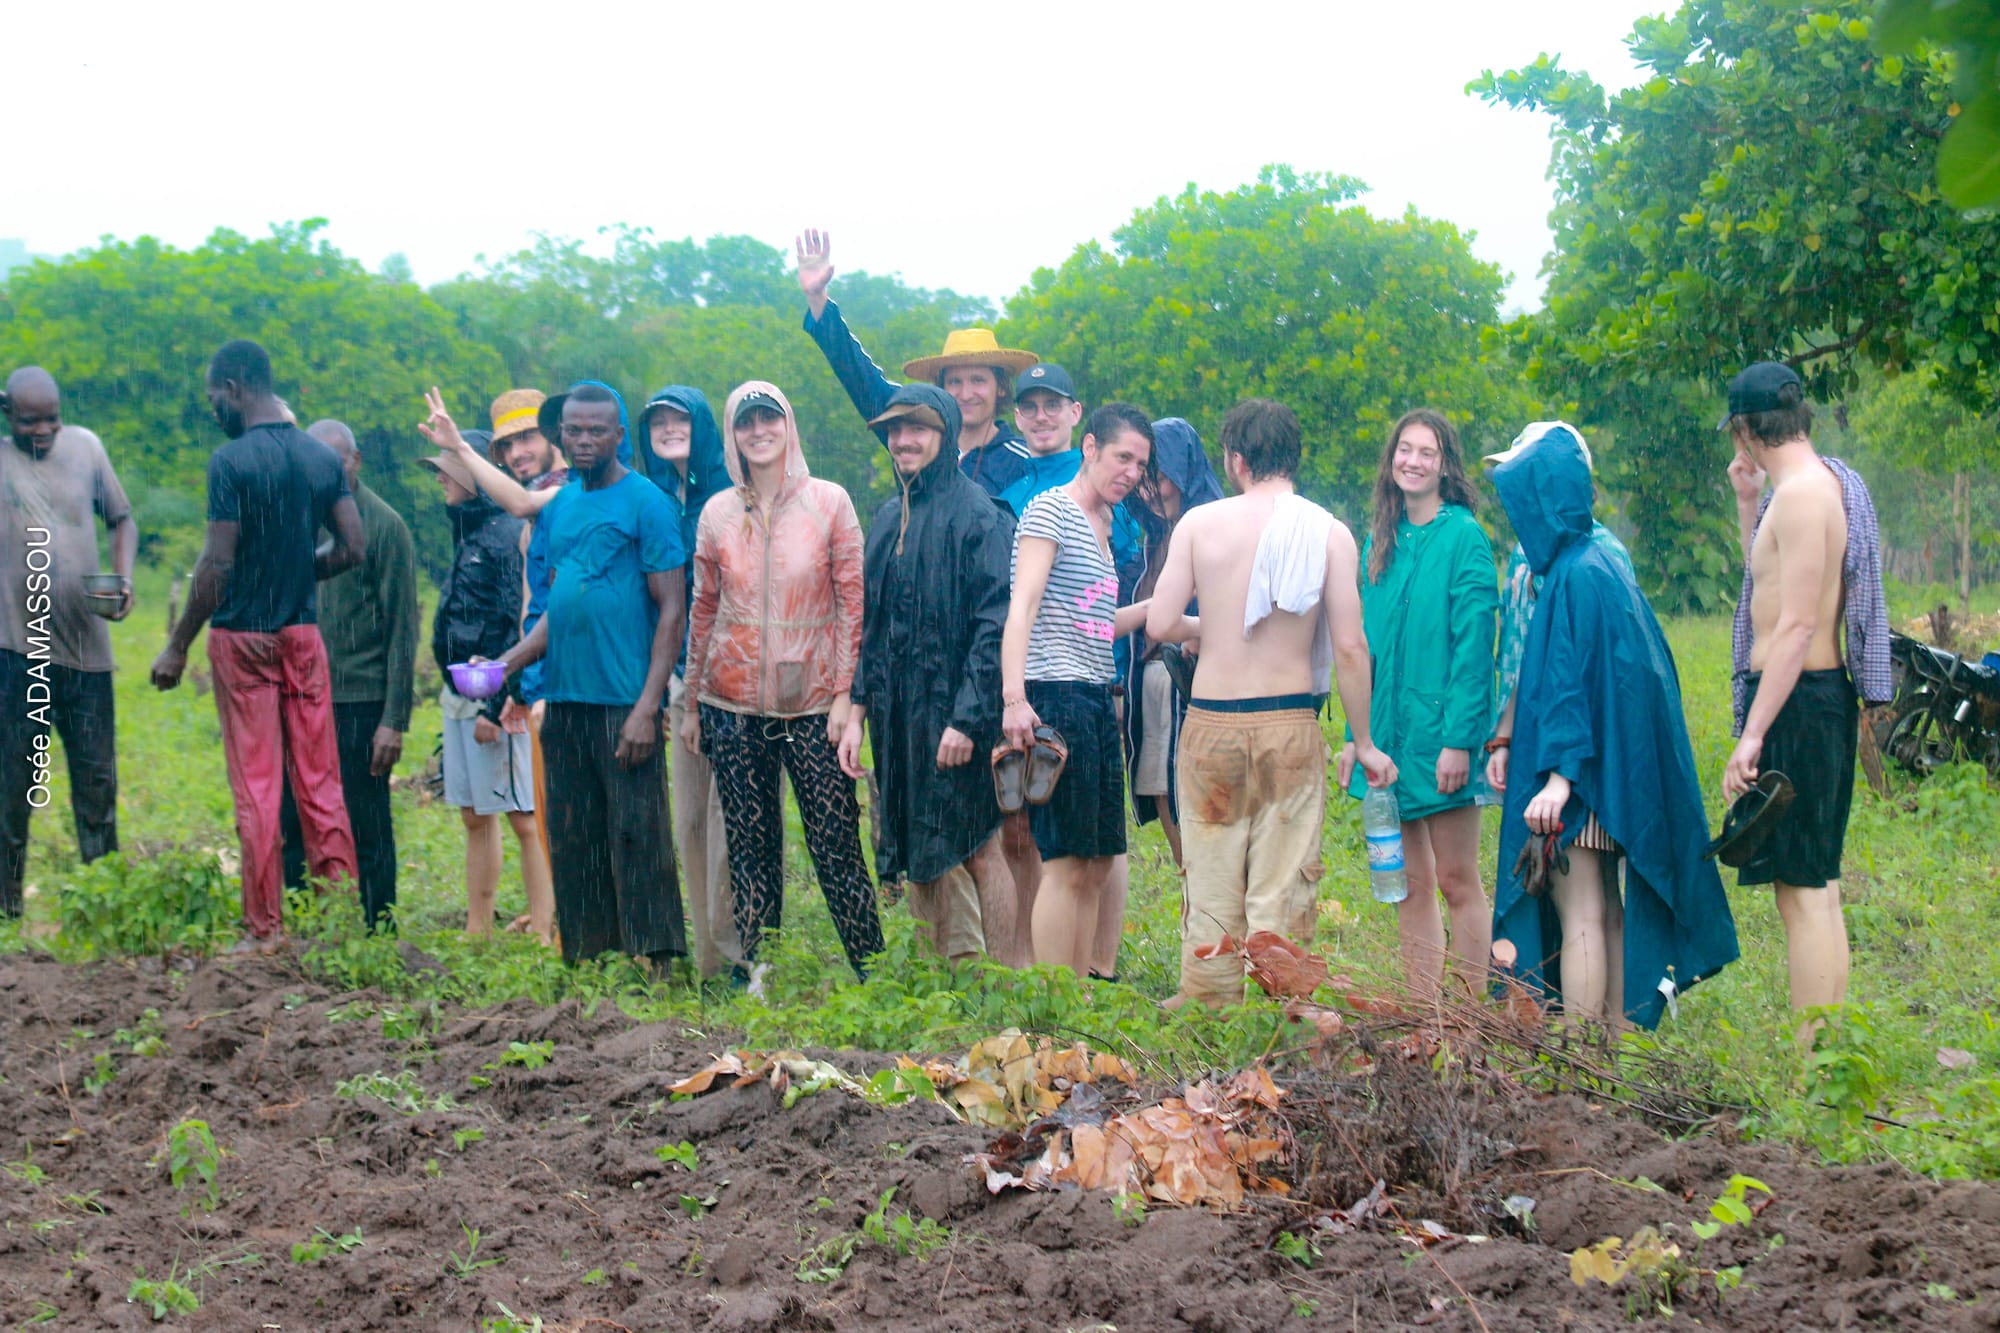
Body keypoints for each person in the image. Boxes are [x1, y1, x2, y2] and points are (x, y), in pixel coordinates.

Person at [1147, 399, 1394, 1007]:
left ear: (1235, 461)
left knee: (1210, 862)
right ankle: (1280, 1001)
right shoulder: (1329, 531)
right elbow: (1352, 646)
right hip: (1288, 720)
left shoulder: (1200, 526)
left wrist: (1216, 626)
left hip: (1212, 722)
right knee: (1283, 871)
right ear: (1294, 458)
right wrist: (1362, 742)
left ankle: (1209, 995)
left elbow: (1158, 622)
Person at [1489, 425, 1738, 1029]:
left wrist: (1558, 779)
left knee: (1580, 913)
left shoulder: (1577, 574)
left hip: (1584, 778)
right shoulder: (1599, 563)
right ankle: (1614, 1053)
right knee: (1606, 908)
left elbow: (1571, 687)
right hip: (1613, 771)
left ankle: (1583, 1057)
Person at [151, 340, 362, 950]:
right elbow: (352, 548)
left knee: (259, 787)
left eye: (215, 395)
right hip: (302, 635)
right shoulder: (322, 460)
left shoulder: (231, 462)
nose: (214, 407)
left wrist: (177, 645)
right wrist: (299, 569)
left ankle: (264, 929)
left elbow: (217, 562)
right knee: (320, 780)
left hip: (242, 639)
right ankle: (337, 925)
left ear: (236, 388)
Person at [683, 383, 882, 990]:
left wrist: (847, 700)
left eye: (769, 418)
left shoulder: (829, 502)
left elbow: (854, 606)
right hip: (731, 701)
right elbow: (703, 609)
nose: (759, 430)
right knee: (749, 846)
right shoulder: (718, 512)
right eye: (746, 422)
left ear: (788, 425)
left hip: (816, 701)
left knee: (835, 843)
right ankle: (758, 973)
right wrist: (692, 701)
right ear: (732, 434)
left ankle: (873, 971)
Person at [490, 382, 685, 970]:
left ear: (618, 436)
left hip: (624, 700)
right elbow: (558, 607)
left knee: (637, 834)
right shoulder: (563, 505)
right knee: (575, 837)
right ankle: (590, 960)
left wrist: (649, 707)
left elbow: (672, 608)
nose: (582, 440)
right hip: (566, 695)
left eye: (596, 430)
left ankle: (657, 962)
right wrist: (505, 665)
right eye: (572, 430)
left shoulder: (647, 502)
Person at [1721, 361, 1889, 1025]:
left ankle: (1815, 1068)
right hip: (1818, 699)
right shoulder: (1813, 489)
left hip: (1799, 702)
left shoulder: (1800, 498)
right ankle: (1827, 1059)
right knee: (1818, 889)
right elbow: (1769, 587)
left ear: (1746, 430)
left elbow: (1793, 628)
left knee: (1802, 894)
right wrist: (1744, 503)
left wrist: (1754, 733)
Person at [837, 383, 1019, 965]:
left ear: (943, 435)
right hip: (898, 711)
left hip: (961, 712)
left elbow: (996, 627)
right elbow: (874, 622)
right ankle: (941, 969)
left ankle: (1006, 980)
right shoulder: (890, 517)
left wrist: (967, 720)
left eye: (917, 429)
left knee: (979, 846)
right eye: (894, 431)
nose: (903, 441)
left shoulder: (981, 516)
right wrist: (857, 711)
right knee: (917, 837)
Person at [1340, 410, 1498, 1003]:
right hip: (1389, 743)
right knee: (1407, 882)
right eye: (1404, 449)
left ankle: (1466, 1015)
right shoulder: (1379, 542)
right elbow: (1365, 651)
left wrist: (1461, 739)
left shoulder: (1464, 537)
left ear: (1445, 465)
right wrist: (1360, 737)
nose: (1412, 460)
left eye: (1426, 452)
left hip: (1443, 740)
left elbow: (1474, 648)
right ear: (1391, 461)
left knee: (1458, 880)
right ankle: (1421, 1013)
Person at [1000, 404, 1157, 975]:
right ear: (1089, 447)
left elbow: (1094, 622)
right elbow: (1023, 604)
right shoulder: (1051, 511)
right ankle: (1054, 999)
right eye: (1122, 457)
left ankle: (1083, 997)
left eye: (1140, 463)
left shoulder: (1108, 525)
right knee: (1065, 862)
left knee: (1096, 862)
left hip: (1096, 696)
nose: (1131, 472)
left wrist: (1158, 613)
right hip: (1054, 695)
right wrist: (1014, 699)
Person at [0, 367, 136, 917]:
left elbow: (122, 520)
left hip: (86, 654)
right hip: (14, 653)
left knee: (97, 784)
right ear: (7, 412)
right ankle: (6, 911)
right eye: (30, 420)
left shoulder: (86, 448)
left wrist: (123, 578)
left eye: (52, 418)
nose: (44, 431)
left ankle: (104, 904)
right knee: (12, 787)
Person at [276, 419, 417, 932]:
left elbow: (404, 628)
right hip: (297, 694)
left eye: (334, 463)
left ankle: (380, 930)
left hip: (358, 699)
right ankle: (295, 926)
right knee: (291, 816)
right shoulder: (295, 518)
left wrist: (393, 719)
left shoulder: (384, 526)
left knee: (367, 821)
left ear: (355, 461)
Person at [795, 228, 1041, 497]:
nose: (966, 393)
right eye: (955, 382)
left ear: (1001, 387)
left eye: (978, 380)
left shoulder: (1025, 461)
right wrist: (817, 298)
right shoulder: (913, 430)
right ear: (941, 388)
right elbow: (858, 376)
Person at [423, 442, 554, 942]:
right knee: (474, 814)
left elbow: (514, 619)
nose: (440, 480)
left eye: (447, 470)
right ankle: (477, 927)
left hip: (492, 697)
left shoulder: (504, 533)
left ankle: (544, 928)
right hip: (458, 691)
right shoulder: (470, 531)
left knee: (523, 815)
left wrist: (497, 703)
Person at [634, 385, 741, 979]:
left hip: (734, 683)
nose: (670, 429)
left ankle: (738, 954)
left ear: (702, 427)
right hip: (678, 683)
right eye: (659, 422)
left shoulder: (730, 495)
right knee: (691, 824)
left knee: (736, 826)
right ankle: (706, 960)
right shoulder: (652, 500)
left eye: (681, 419)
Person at [1120, 417, 1226, 869]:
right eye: (1142, 480)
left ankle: (1218, 925)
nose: (1150, 491)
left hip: (1198, 686)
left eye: (1160, 478)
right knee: (1163, 796)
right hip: (1152, 683)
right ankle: (1194, 913)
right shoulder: (1153, 538)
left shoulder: (1216, 528)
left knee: (1204, 810)